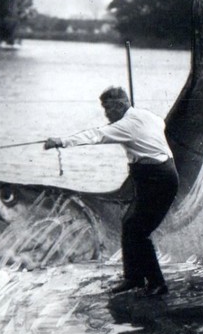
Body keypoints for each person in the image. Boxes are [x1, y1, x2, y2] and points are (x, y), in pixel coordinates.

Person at [44, 86, 178, 297]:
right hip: (155, 176)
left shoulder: (126, 125)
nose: (106, 114)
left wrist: (60, 141)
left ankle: (157, 284)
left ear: (120, 105)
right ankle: (133, 278)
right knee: (129, 223)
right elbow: (160, 124)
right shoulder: (148, 116)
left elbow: (96, 135)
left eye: (108, 108)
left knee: (139, 231)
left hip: (158, 180)